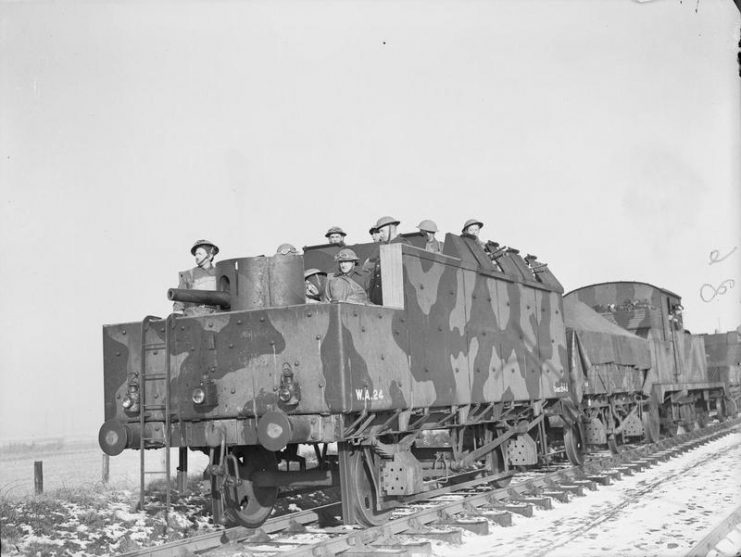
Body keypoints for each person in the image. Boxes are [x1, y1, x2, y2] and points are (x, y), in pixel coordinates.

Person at [173, 239, 219, 316]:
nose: (197, 256)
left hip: (217, 315)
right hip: (194, 315)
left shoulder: (220, 273)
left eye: (200, 254)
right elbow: (179, 299)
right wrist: (177, 314)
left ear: (210, 256)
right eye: (196, 254)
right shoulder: (188, 275)